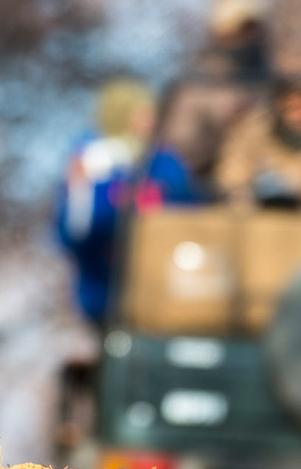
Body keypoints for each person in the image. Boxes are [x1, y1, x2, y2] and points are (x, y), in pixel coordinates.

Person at [53, 78, 202, 326]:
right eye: (141, 114)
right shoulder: (89, 163)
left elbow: (188, 208)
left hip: (164, 293)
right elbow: (75, 234)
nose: (149, 121)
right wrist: (80, 192)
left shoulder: (164, 161)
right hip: (107, 296)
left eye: (151, 113)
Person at [164, 0, 272, 182]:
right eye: (242, 29)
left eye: (253, 28)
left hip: (259, 175)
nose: (250, 36)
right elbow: (184, 144)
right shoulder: (201, 79)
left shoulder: (264, 75)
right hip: (202, 179)